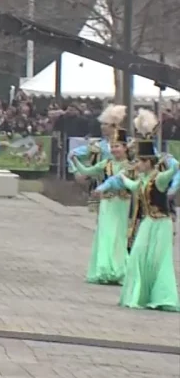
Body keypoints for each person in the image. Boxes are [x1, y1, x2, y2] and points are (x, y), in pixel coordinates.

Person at [99, 110, 178, 311]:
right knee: (137, 256)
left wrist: (169, 163)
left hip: (162, 223)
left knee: (158, 261)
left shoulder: (159, 178)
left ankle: (162, 297)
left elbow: (175, 168)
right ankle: (138, 296)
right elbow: (130, 185)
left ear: (150, 162)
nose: (138, 164)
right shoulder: (141, 180)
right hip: (148, 222)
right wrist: (110, 184)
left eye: (142, 161)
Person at [69, 104, 133, 285]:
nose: (102, 127)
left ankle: (119, 267)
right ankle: (105, 266)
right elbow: (87, 167)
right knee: (105, 232)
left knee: (121, 234)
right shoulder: (99, 147)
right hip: (105, 195)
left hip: (123, 195)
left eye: (106, 124)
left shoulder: (129, 149)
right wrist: (76, 168)